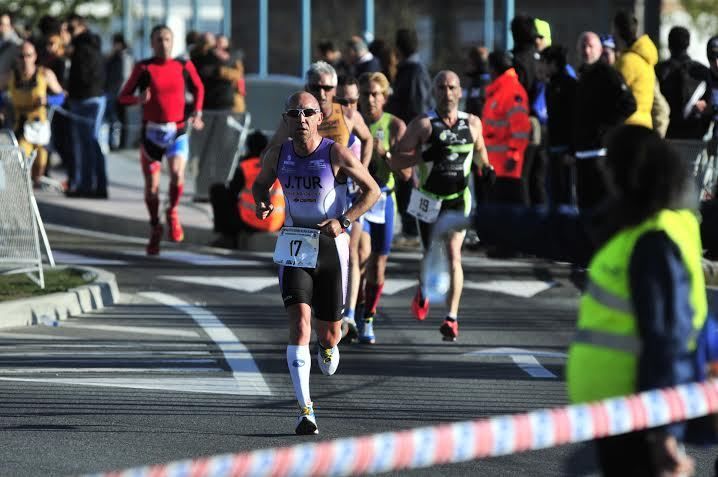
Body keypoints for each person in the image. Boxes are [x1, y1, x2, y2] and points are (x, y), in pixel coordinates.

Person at [438, 126, 702, 476]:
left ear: (632, 173)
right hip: (617, 415)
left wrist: (663, 433)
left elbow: (665, 339)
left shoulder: (654, 241)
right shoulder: (633, 223)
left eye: (612, 165)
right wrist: (480, 219)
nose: (604, 173)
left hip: (639, 417)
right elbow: (556, 229)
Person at [252, 91, 380, 435]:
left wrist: (345, 220)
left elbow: (373, 190)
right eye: (295, 113)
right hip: (295, 244)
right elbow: (260, 184)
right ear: (287, 119)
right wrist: (261, 202)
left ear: (319, 118)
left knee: (328, 334)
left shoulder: (334, 153)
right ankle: (305, 410)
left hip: (330, 246)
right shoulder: (278, 155)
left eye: (308, 112)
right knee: (299, 325)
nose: (302, 118)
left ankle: (327, 346)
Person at [391, 70, 490, 341]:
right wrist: (424, 155)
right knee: (430, 253)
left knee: (454, 254)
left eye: (451, 87)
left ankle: (451, 318)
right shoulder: (423, 124)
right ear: (434, 92)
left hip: (458, 199)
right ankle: (423, 290)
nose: (447, 93)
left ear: (459, 92)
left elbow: (480, 153)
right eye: (441, 88)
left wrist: (488, 169)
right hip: (429, 200)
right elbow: (395, 161)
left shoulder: (472, 123)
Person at [118, 24, 205, 255]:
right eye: (158, 39)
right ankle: (155, 225)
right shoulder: (144, 67)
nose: (163, 43)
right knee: (152, 189)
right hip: (152, 134)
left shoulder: (183, 65)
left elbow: (199, 88)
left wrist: (197, 112)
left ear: (173, 41)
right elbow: (123, 96)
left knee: (177, 174)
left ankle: (173, 211)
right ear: (152, 43)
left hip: (177, 130)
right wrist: (139, 99)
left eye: (167, 39)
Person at [356, 71, 408, 343]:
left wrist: (385, 154)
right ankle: (352, 311)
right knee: (360, 255)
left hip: (384, 199)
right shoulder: (352, 120)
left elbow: (407, 174)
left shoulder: (395, 126)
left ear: (385, 98)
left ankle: (368, 315)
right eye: (365, 94)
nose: (370, 100)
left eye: (375, 94)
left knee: (377, 264)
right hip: (360, 198)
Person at [573, 31, 636, 210]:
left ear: (599, 50)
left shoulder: (608, 74)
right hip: (582, 153)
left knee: (602, 207)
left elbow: (629, 104)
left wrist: (605, 128)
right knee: (584, 207)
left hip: (601, 153)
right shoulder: (582, 76)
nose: (586, 50)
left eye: (590, 46)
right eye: (583, 46)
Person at [386, 28, 434, 247]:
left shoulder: (413, 71)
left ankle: (413, 230)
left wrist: (413, 137)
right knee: (409, 182)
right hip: (408, 135)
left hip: (411, 137)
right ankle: (412, 228)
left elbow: (417, 106)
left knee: (412, 182)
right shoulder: (411, 70)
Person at [335, 74, 372, 341]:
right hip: (329, 193)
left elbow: (369, 140)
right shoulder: (328, 120)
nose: (348, 106)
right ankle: (332, 310)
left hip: (352, 192)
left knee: (353, 251)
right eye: (343, 101)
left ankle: (349, 313)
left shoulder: (356, 119)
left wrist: (364, 171)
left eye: (353, 101)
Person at [209, 130, 284, 248]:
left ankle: (228, 237)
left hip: (250, 222)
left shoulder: (246, 167)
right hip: (277, 224)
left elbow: (231, 195)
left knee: (217, 190)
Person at [6, 40, 64, 185]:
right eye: (21, 56)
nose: (25, 59)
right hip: (19, 126)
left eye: (28, 55)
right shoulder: (9, 76)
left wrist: (48, 100)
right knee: (21, 163)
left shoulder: (44, 74)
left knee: (39, 168)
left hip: (40, 128)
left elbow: (62, 96)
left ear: (35, 56)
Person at [482, 50, 532, 206]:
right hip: (495, 167)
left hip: (507, 168)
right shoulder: (499, 91)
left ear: (493, 68)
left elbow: (521, 129)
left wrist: (514, 155)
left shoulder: (511, 91)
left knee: (511, 211)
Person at [65, 14, 108, 198]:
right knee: (92, 143)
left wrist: (71, 92)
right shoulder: (93, 45)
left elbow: (82, 76)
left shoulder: (82, 48)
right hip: (94, 97)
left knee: (87, 145)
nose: (69, 33)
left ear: (81, 27)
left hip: (85, 99)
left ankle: (88, 186)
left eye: (71, 29)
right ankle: (96, 185)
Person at [656, 26, 712, 140]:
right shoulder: (702, 71)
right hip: (694, 138)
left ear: (669, 45)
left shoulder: (659, 70)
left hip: (667, 136)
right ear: (688, 44)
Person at [543, 45, 577, 207]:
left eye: (544, 62)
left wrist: (572, 149)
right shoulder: (551, 85)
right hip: (554, 148)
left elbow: (574, 120)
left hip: (564, 151)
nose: (541, 67)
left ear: (554, 64)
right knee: (554, 196)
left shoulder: (569, 86)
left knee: (564, 197)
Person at [613, 11, 658, 129]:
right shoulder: (645, 58)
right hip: (644, 125)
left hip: (628, 128)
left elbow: (612, 94)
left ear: (617, 31)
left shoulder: (627, 61)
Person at [105, 33, 133, 150]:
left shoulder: (123, 56)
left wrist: (122, 92)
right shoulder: (118, 56)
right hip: (117, 91)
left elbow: (124, 76)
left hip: (120, 92)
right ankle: (116, 142)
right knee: (117, 118)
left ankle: (119, 143)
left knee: (119, 119)